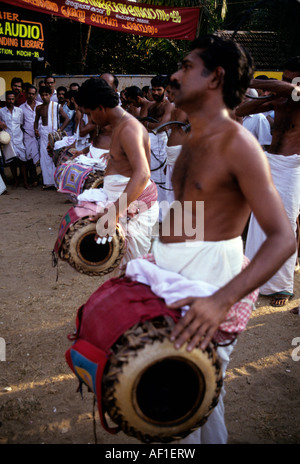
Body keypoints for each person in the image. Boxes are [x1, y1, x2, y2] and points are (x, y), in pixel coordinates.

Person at [127, 34, 295, 444]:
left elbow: (283, 237)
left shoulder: (238, 144)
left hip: (211, 282)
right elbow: (191, 216)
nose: (174, 74)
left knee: (182, 399)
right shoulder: (192, 141)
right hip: (176, 277)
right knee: (190, 402)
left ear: (216, 77)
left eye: (186, 66)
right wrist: (153, 259)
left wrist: (221, 300)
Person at [236, 56, 300, 307]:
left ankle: (282, 286)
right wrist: (244, 93)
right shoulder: (280, 98)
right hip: (269, 163)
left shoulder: (294, 93)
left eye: (291, 79)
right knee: (259, 222)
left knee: (285, 224)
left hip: (292, 167)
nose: (286, 82)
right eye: (284, 77)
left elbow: (292, 90)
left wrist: (248, 79)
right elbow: (241, 110)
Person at [74, 77, 159, 267]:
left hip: (132, 210)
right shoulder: (120, 126)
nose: (91, 120)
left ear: (101, 108)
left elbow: (143, 173)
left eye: (89, 113)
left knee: (132, 273)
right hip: (124, 206)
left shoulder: (128, 128)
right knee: (124, 272)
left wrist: (114, 212)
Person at [142, 75, 174, 220]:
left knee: (162, 181)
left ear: (165, 90)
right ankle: (155, 215)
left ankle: (164, 217)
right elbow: (143, 124)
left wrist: (148, 125)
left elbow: (163, 126)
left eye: (158, 90)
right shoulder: (151, 105)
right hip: (149, 145)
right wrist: (150, 126)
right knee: (151, 180)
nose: (155, 93)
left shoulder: (168, 105)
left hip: (161, 145)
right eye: (153, 90)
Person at [34, 86, 70, 189]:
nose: (44, 97)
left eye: (46, 95)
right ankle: (48, 182)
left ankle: (56, 183)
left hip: (54, 136)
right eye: (42, 95)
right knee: (44, 159)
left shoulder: (56, 106)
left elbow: (67, 119)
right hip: (43, 134)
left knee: (54, 157)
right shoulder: (39, 108)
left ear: (50, 95)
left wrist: (60, 130)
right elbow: (36, 121)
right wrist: (36, 129)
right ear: (40, 96)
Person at [0, 91, 29, 188]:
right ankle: (16, 181)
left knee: (23, 161)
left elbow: (21, 124)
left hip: (18, 139)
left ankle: (25, 182)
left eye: (12, 99)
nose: (11, 101)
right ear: (6, 100)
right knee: (11, 162)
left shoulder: (19, 111)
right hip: (8, 140)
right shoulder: (1, 111)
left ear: (15, 99)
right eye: (9, 99)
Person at [20, 85, 41, 186]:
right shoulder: (21, 108)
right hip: (28, 136)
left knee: (43, 156)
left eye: (33, 94)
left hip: (40, 135)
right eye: (29, 93)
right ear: (26, 94)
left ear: (35, 95)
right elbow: (20, 124)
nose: (31, 95)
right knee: (29, 158)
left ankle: (42, 178)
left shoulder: (40, 105)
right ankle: (34, 179)